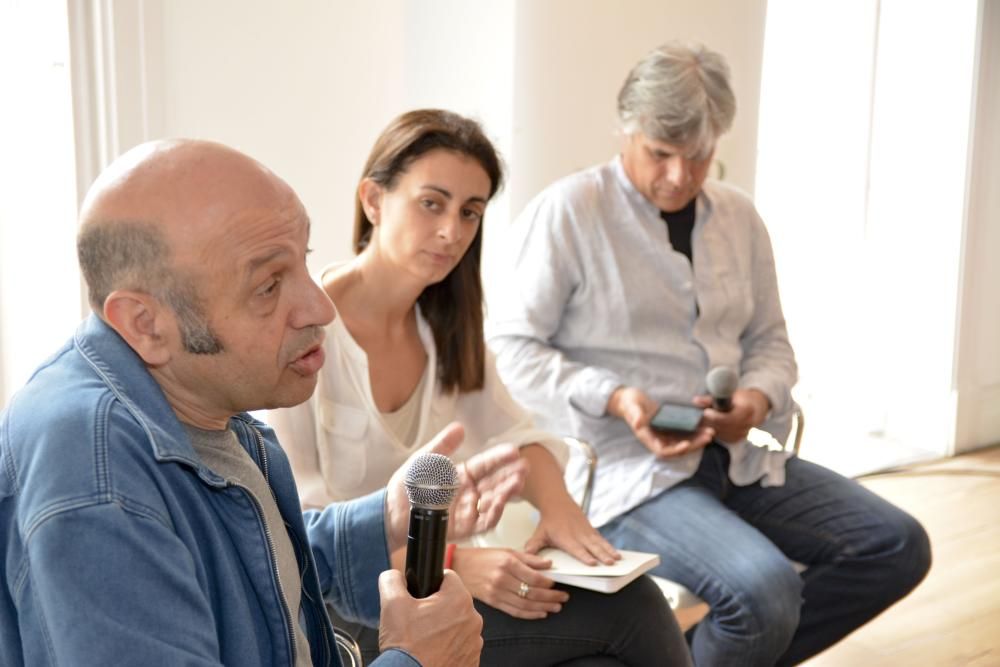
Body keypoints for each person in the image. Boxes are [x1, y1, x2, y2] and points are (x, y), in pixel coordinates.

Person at [0, 138, 532, 667]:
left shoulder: (196, 399)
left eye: (303, 262)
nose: (320, 308)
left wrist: (383, 517)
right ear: (146, 324)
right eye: (269, 286)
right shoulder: (97, 483)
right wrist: (416, 660)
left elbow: (244, 570)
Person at [486, 42, 932, 666]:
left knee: (895, 545)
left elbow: (771, 340)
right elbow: (511, 348)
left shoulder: (739, 218)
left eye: (697, 158)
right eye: (659, 155)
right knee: (765, 591)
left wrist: (756, 398)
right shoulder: (570, 212)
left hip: (738, 458)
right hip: (624, 472)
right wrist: (616, 397)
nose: (677, 176)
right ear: (626, 129)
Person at [268, 109, 692, 667]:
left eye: (470, 212)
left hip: (435, 587)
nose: (452, 232)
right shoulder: (305, 333)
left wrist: (561, 515)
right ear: (373, 200)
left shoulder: (445, 333)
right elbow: (302, 533)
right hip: (339, 614)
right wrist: (457, 564)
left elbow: (522, 436)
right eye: (431, 203)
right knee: (633, 610)